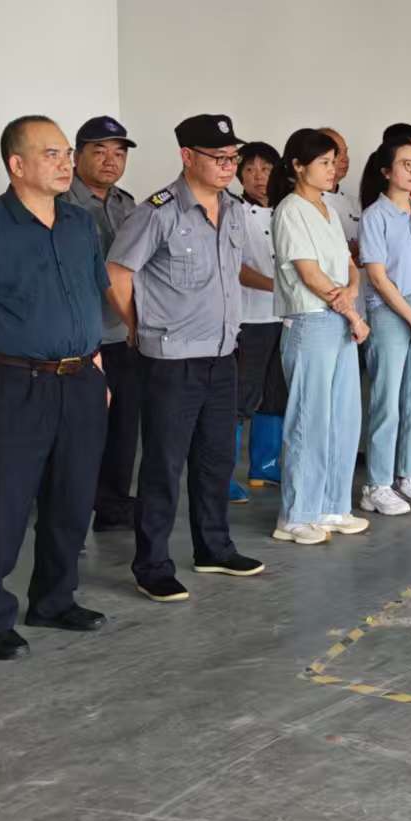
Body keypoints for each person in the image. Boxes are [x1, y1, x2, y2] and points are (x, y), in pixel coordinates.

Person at [0, 116, 112, 663]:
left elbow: (89, 300)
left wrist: (98, 369)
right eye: (51, 154)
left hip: (81, 379)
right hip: (18, 382)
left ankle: (54, 600)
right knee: (5, 504)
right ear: (17, 165)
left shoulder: (80, 224)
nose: (66, 164)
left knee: (73, 498)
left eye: (67, 154)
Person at [105, 115, 266, 603]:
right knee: (163, 464)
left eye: (233, 157)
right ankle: (152, 565)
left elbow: (228, 270)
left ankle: (213, 547)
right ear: (187, 157)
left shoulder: (232, 210)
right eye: (219, 158)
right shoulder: (159, 212)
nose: (228, 166)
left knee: (216, 459)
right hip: (172, 360)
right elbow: (117, 273)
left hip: (222, 354)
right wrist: (138, 326)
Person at [271, 130, 373, 545]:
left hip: (339, 320)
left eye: (334, 162)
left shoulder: (327, 209)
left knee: (343, 419)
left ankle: (332, 505)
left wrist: (351, 295)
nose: (333, 169)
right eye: (325, 163)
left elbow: (349, 265)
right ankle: (296, 515)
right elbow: (310, 274)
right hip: (311, 322)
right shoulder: (290, 210)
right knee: (309, 420)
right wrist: (352, 312)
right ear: (298, 166)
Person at [356, 137, 411, 516]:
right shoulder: (374, 216)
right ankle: (377, 484)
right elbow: (377, 277)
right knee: (386, 401)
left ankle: (408, 475)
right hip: (391, 311)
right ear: (386, 171)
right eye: (406, 164)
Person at [63, 116, 142, 532]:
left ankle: (112, 505)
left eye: (119, 153)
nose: (111, 160)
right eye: (100, 151)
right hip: (78, 336)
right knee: (80, 429)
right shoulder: (61, 202)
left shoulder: (128, 205)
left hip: (121, 332)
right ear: (76, 156)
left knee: (124, 425)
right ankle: (73, 508)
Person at [232, 141, 286, 500]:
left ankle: (265, 467)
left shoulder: (287, 210)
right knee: (239, 399)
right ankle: (221, 476)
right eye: (249, 169)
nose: (258, 176)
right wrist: (278, 286)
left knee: (276, 395)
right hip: (248, 319)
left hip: (284, 317)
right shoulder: (233, 212)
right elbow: (235, 267)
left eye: (265, 169)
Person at [318, 127, 363, 255]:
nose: (345, 159)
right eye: (337, 153)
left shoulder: (355, 203)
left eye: (346, 152)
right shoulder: (306, 203)